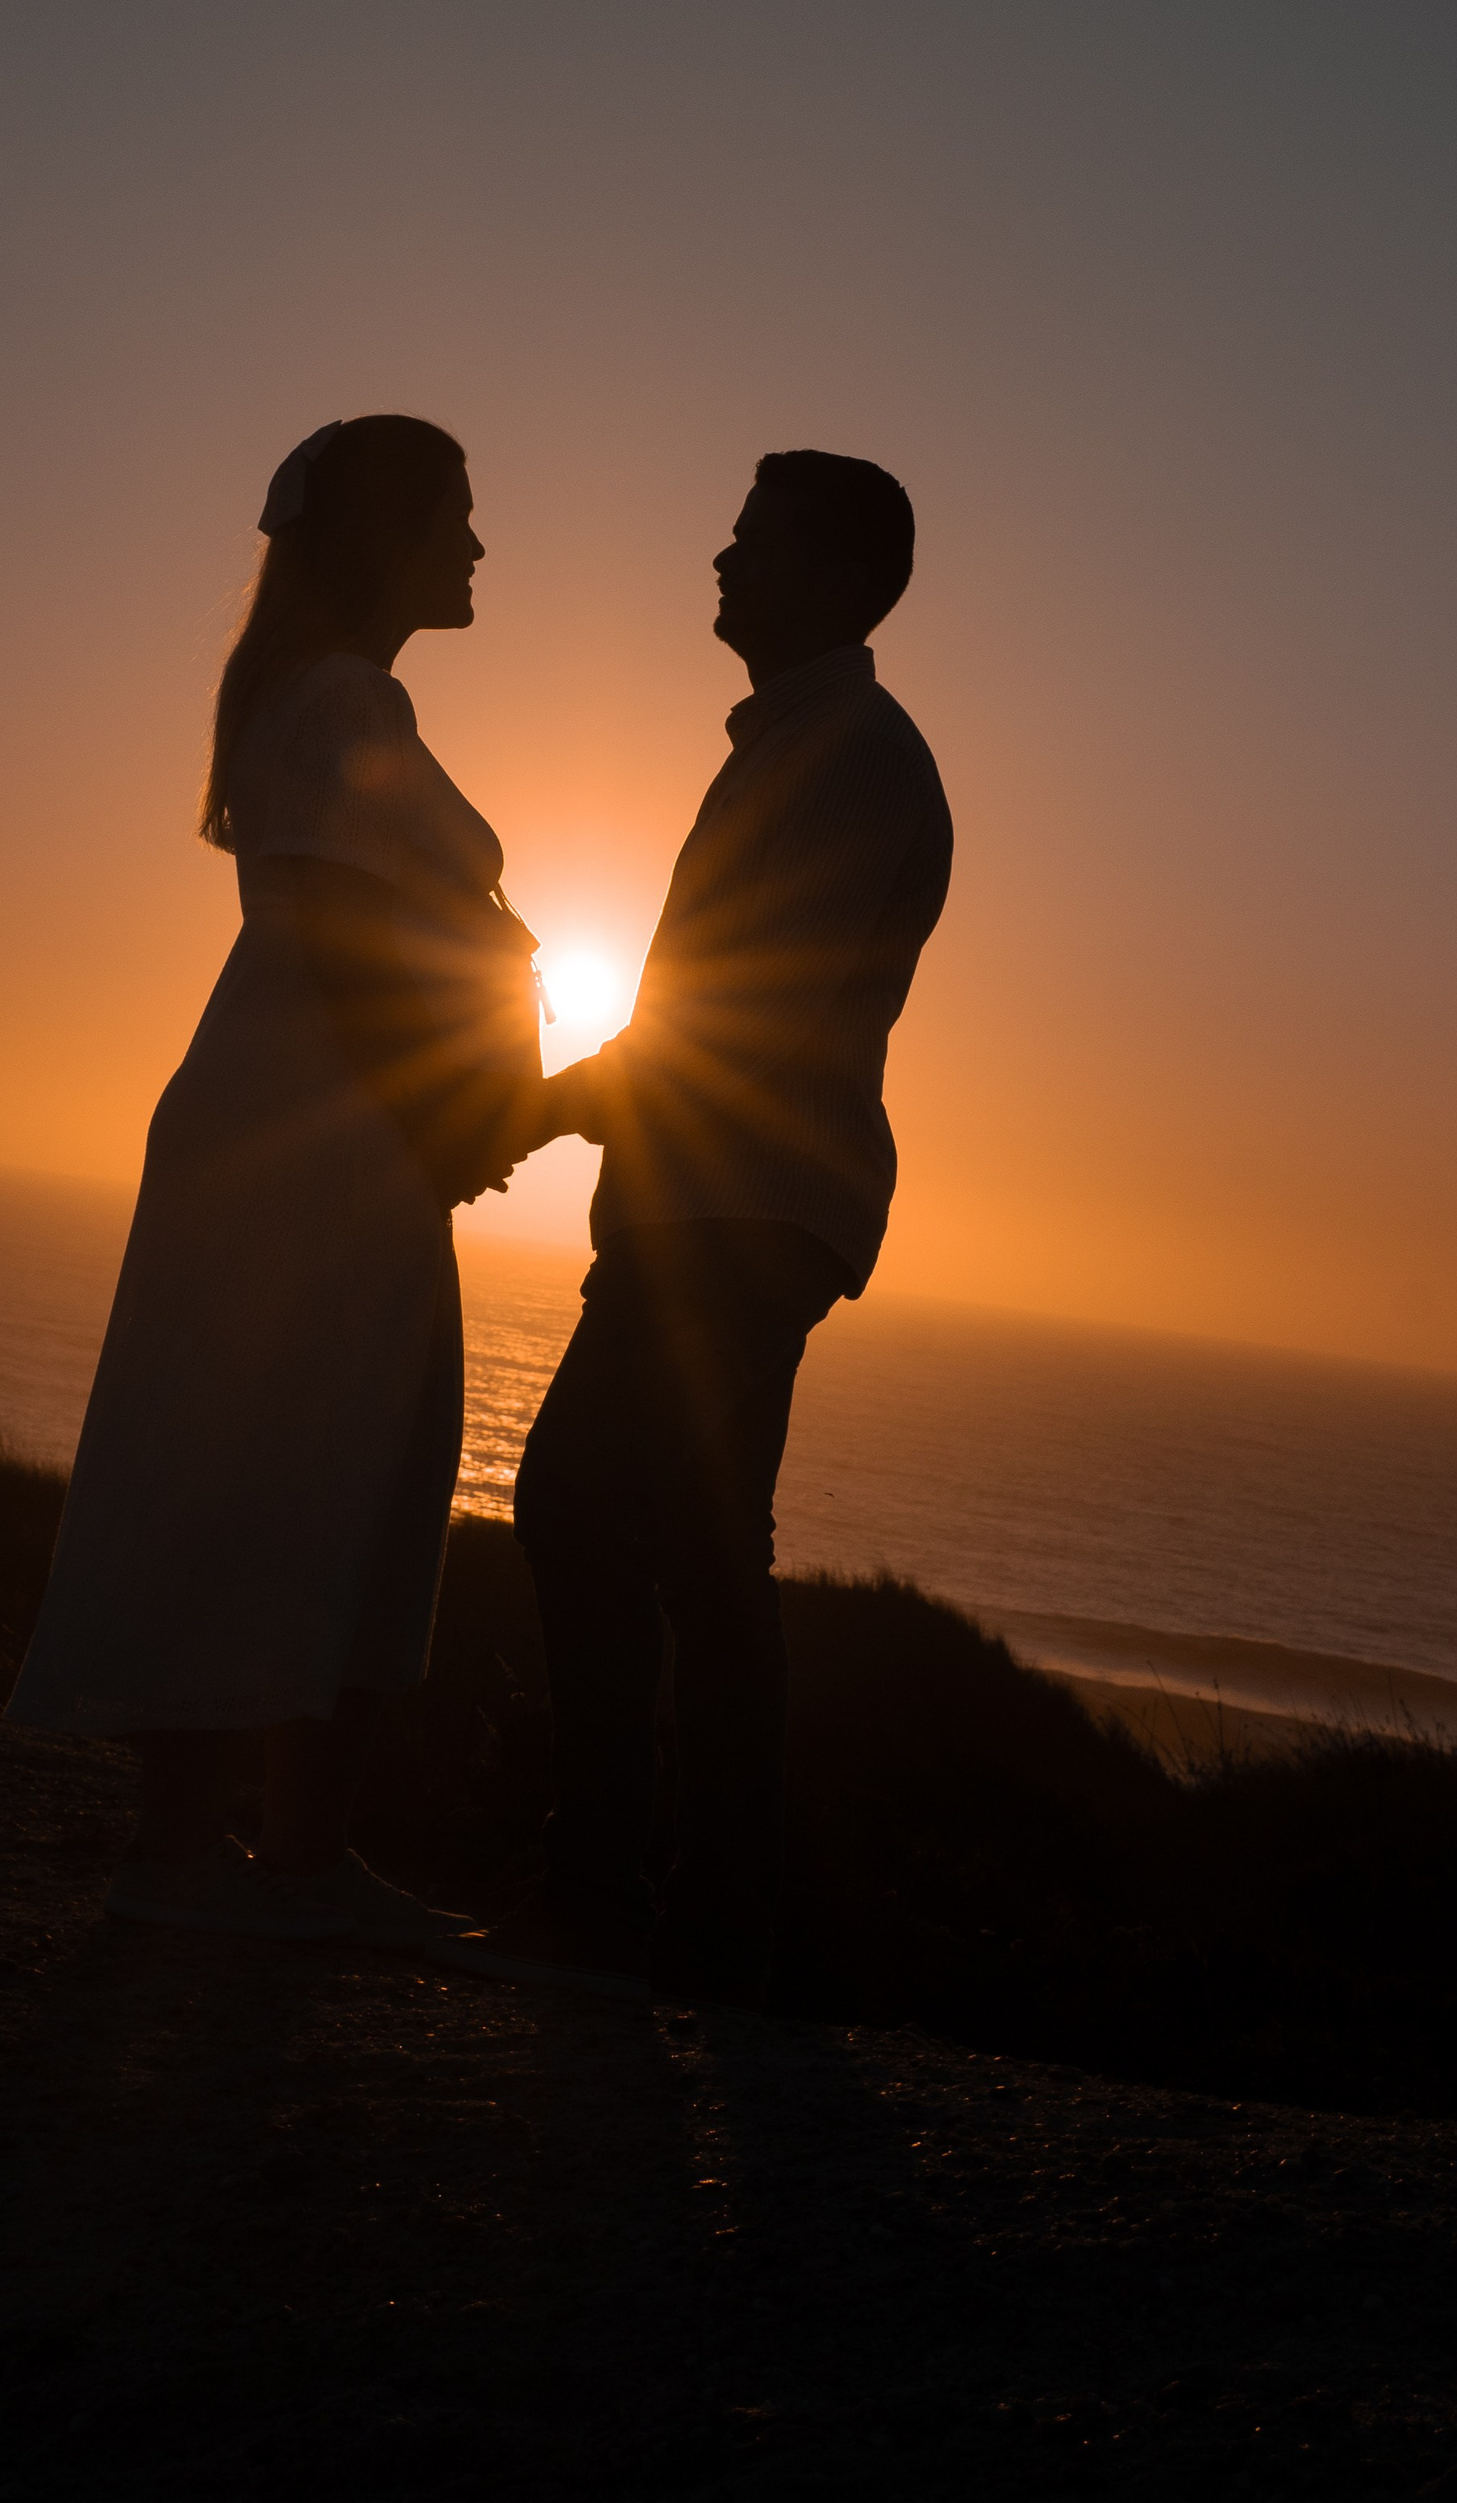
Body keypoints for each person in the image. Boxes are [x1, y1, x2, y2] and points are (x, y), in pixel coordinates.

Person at [9, 415, 544, 1945]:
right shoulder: (340, 703)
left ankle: (233, 1851)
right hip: (323, 1132)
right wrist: (458, 1112)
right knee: (310, 1451)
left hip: (311, 1123)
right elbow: (348, 942)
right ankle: (251, 1859)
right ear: (384, 536)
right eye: (456, 513)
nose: (477, 546)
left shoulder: (327, 699)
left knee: (303, 1451)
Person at [440, 449, 952, 2004]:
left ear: (832, 576)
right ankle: (711, 1922)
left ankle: (609, 1895)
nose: (718, 564)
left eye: (750, 544)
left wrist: (535, 1107)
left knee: (586, 1507)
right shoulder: (808, 745)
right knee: (704, 1550)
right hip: (723, 1200)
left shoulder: (851, 758)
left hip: (735, 1210)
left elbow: (744, 1016)